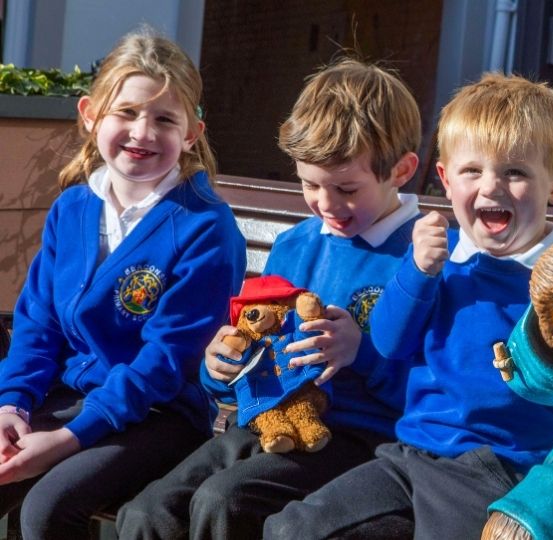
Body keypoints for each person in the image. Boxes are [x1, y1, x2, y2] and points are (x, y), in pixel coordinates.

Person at [116, 58, 424, 539]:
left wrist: (360, 353)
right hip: (261, 421)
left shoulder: (418, 259)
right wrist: (218, 368)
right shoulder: (294, 244)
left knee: (225, 501)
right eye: (309, 184)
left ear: (402, 171)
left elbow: (432, 385)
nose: (326, 204)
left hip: (356, 437)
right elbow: (252, 342)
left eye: (346, 188)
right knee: (147, 512)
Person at [262, 72, 553, 539]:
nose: (491, 188)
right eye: (472, 171)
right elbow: (390, 343)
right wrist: (417, 271)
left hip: (496, 466)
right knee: (294, 529)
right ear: (446, 180)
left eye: (515, 172)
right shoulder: (442, 259)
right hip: (410, 452)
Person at [0, 28, 246, 538]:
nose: (143, 132)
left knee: (47, 508)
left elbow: (165, 363)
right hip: (68, 394)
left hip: (156, 413)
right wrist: (12, 404)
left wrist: (68, 438)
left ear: (192, 133)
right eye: (127, 113)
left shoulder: (204, 228)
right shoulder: (72, 208)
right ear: (90, 115)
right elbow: (37, 327)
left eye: (164, 119)